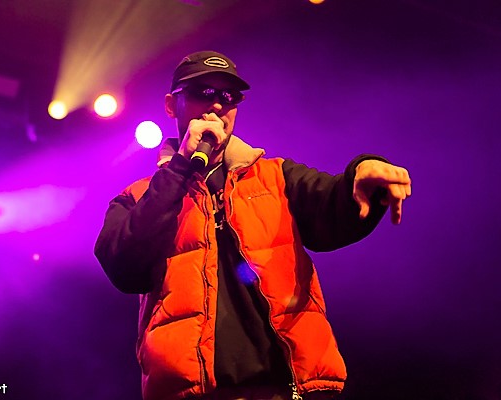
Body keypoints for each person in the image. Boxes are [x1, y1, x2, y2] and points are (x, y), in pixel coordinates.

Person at [94, 50, 411, 400]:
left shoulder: (276, 177)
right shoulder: (139, 197)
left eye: (229, 96)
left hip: (285, 390)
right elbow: (124, 267)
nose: (217, 105)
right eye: (202, 92)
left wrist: (361, 173)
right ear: (172, 105)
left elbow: (333, 206)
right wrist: (180, 167)